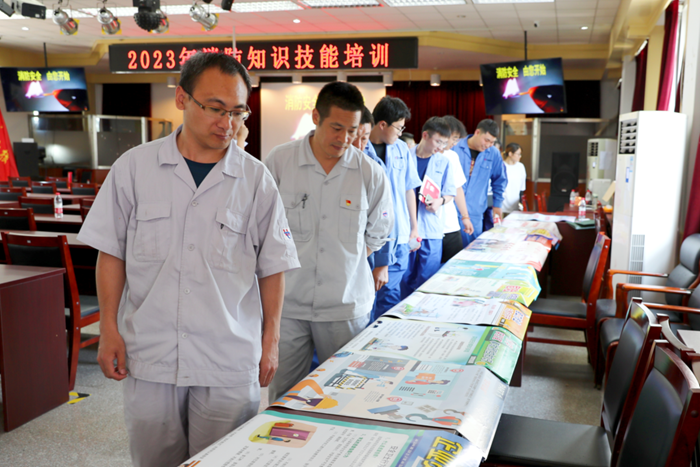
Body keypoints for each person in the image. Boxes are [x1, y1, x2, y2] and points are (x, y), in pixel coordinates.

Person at [77, 52, 300, 467]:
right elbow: (111, 254)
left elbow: (273, 266)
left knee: (222, 460)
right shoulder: (134, 168)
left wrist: (270, 342)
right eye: (216, 108)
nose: (227, 123)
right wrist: (108, 327)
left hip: (227, 357)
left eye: (237, 112)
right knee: (154, 459)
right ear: (182, 99)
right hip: (152, 353)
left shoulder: (256, 180)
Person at [265, 82, 393, 402]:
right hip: (289, 305)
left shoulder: (369, 172)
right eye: (336, 128)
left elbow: (379, 230)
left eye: (352, 131)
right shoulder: (280, 162)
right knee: (285, 396)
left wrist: (350, 259)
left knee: (344, 396)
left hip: (345, 307)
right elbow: (261, 226)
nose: (344, 138)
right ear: (315, 118)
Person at [365, 96, 421, 321]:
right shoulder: (359, 148)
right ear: (382, 124)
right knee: (366, 299)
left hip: (398, 235)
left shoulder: (401, 149)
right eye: (398, 128)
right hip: (369, 237)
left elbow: (409, 189)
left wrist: (414, 227)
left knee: (390, 297)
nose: (400, 133)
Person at [401, 117, 455, 296]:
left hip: (431, 227)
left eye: (444, 143)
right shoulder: (405, 157)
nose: (441, 147)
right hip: (406, 227)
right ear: (425, 135)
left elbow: (450, 193)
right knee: (405, 277)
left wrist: (440, 201)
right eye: (438, 142)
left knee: (428, 278)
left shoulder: (443, 162)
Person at [452, 118, 507, 246]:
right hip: (451, 211)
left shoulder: (493, 153)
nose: (488, 145)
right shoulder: (455, 147)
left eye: (492, 142)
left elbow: (499, 180)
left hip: (475, 213)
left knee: (471, 250)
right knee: (450, 252)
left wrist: (497, 205)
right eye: (486, 140)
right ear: (477, 132)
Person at [440, 115, 471, 263]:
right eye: (454, 138)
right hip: (429, 227)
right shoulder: (422, 154)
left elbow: (458, 188)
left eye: (457, 139)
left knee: (453, 265)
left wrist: (465, 217)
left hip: (451, 224)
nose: (455, 143)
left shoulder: (453, 156)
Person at [483, 138, 503, 232]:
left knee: (490, 223)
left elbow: (500, 181)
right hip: (481, 196)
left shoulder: (500, 164)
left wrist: (497, 202)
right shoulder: (483, 158)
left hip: (491, 197)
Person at [501, 142, 527, 215]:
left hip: (515, 206)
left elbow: (522, 189)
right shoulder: (501, 166)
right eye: (518, 154)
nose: (520, 156)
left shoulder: (520, 167)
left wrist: (520, 204)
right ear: (510, 154)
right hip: (501, 206)